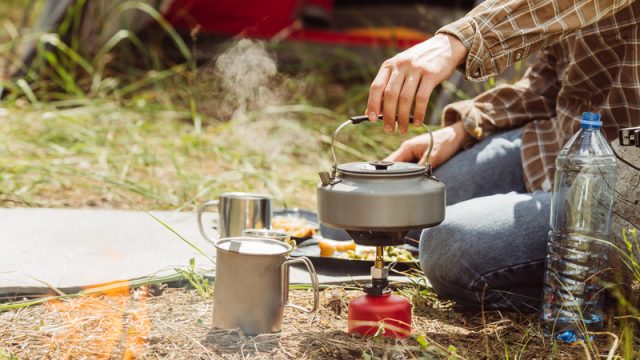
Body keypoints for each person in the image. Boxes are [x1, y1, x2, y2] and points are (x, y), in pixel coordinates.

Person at [366, 0, 640, 310]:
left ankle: (600, 298)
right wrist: (464, 128)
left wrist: (457, 40)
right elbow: (546, 83)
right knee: (387, 206)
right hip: (555, 148)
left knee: (447, 248)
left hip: (625, 188)